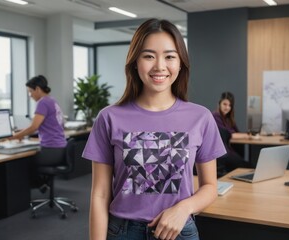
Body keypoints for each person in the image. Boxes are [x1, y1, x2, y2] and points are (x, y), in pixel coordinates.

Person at [82, 18, 226, 240]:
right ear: (135, 62)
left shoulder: (201, 117)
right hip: (123, 232)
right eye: (149, 56)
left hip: (178, 231)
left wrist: (183, 208)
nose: (160, 66)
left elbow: (209, 186)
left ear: (180, 63)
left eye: (169, 56)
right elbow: (100, 195)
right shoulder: (109, 118)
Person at [10, 75, 67, 185]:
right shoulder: (52, 100)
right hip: (59, 149)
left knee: (20, 160)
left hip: (51, 150)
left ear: (37, 89)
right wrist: (20, 133)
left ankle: (39, 185)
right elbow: (41, 126)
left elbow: (34, 127)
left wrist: (13, 136)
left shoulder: (42, 102)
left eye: (30, 91)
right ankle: (42, 185)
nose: (30, 95)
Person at [213, 91, 249, 173]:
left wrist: (249, 135)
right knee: (247, 167)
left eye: (230, 105)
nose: (227, 107)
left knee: (246, 165)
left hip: (230, 150)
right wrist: (249, 136)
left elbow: (237, 132)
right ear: (219, 103)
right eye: (225, 104)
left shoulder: (228, 119)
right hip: (223, 152)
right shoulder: (215, 117)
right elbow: (231, 134)